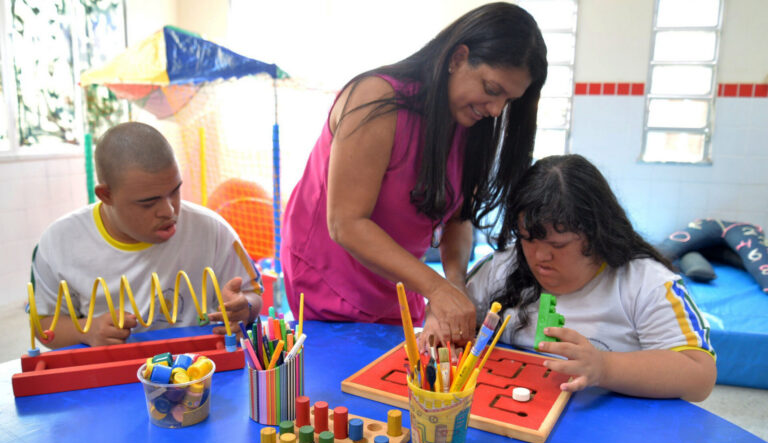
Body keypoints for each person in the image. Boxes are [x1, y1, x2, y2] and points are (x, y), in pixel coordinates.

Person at [282, 3, 547, 345]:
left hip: (401, 278)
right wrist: (436, 288)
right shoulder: (377, 99)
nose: (496, 110)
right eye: (492, 90)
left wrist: (453, 283)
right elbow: (345, 223)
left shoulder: (469, 120)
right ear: (457, 58)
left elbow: (459, 217)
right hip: (330, 280)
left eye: (508, 101)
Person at [463, 154, 717, 402]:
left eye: (558, 244)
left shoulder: (646, 283)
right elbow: (452, 320)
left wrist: (604, 368)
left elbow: (700, 376)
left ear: (596, 234)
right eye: (527, 239)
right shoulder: (501, 267)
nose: (540, 256)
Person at [30, 122, 263, 349]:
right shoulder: (58, 243)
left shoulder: (212, 230)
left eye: (175, 191)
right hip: (108, 371)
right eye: (148, 203)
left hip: (196, 367)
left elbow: (252, 295)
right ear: (106, 195)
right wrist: (85, 331)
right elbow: (43, 326)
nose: (169, 211)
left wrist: (245, 308)